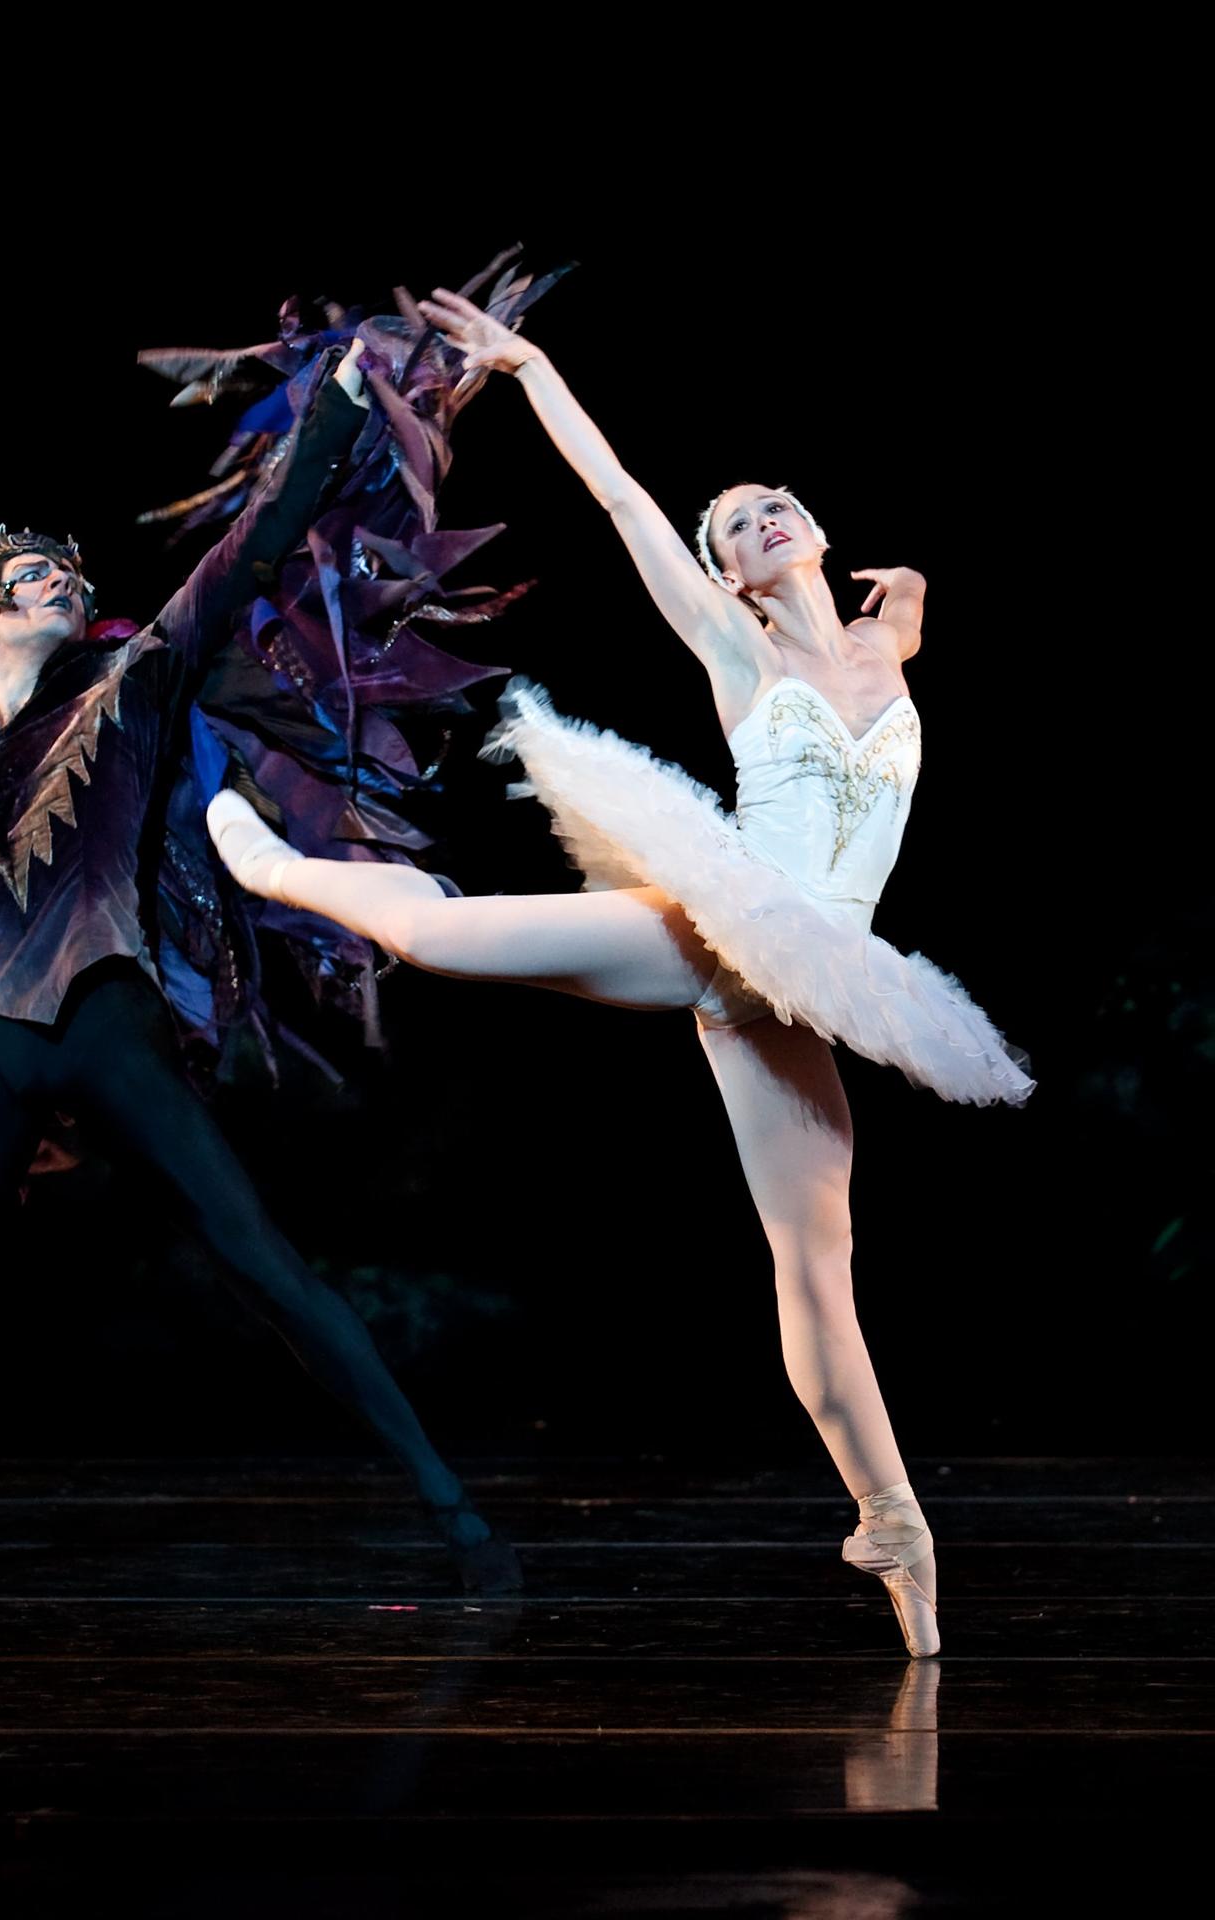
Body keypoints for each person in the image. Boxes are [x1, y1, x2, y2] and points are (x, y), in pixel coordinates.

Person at [207, 290, 1036, 1659]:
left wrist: (912, 589)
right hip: (728, 923)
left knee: (818, 1264)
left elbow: (904, 619)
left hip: (819, 980)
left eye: (776, 505)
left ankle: (895, 1523)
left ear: (816, 532)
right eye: (738, 527)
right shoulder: (737, 646)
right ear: (730, 577)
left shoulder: (883, 646)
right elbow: (622, 500)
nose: (762, 520)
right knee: (441, 939)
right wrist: (534, 368)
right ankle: (278, 867)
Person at [0, 336, 520, 1600]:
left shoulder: (131, 680)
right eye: (29, 574)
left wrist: (336, 408)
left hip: (107, 1012)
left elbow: (248, 548)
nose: (56, 579)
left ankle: (453, 1508)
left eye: (64, 571)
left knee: (260, 1261)